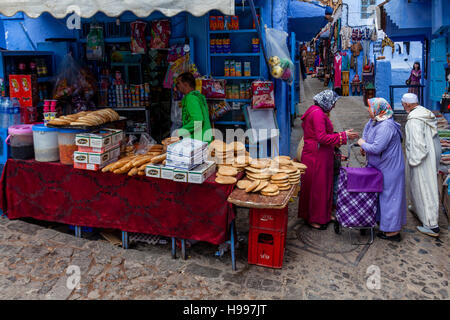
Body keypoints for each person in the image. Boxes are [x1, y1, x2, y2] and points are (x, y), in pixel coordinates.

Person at [298, 90, 359, 230]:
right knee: (317, 189)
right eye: (333, 103)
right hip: (316, 157)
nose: (334, 106)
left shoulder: (314, 110)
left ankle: (324, 215)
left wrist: (339, 142)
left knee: (323, 186)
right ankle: (314, 218)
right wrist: (343, 136)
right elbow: (322, 137)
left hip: (319, 154)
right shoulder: (318, 114)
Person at [357, 98, 406, 242]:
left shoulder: (386, 126)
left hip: (390, 168)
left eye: (371, 107)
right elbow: (366, 133)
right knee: (378, 196)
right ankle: (382, 222)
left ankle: (393, 231)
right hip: (379, 166)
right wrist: (364, 144)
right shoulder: (375, 121)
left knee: (390, 197)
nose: (368, 110)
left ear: (379, 110)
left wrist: (362, 143)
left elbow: (377, 147)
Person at [402, 93, 441, 237]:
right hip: (430, 155)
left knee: (424, 188)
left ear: (407, 104)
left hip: (421, 159)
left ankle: (432, 225)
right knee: (420, 188)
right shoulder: (424, 113)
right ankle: (420, 210)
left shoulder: (414, 120)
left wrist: (413, 161)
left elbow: (418, 144)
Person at [174, 72, 212, 143]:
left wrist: (181, 132)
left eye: (178, 83)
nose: (177, 86)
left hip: (198, 140)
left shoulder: (191, 98)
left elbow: (198, 120)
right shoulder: (199, 96)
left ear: (185, 84)